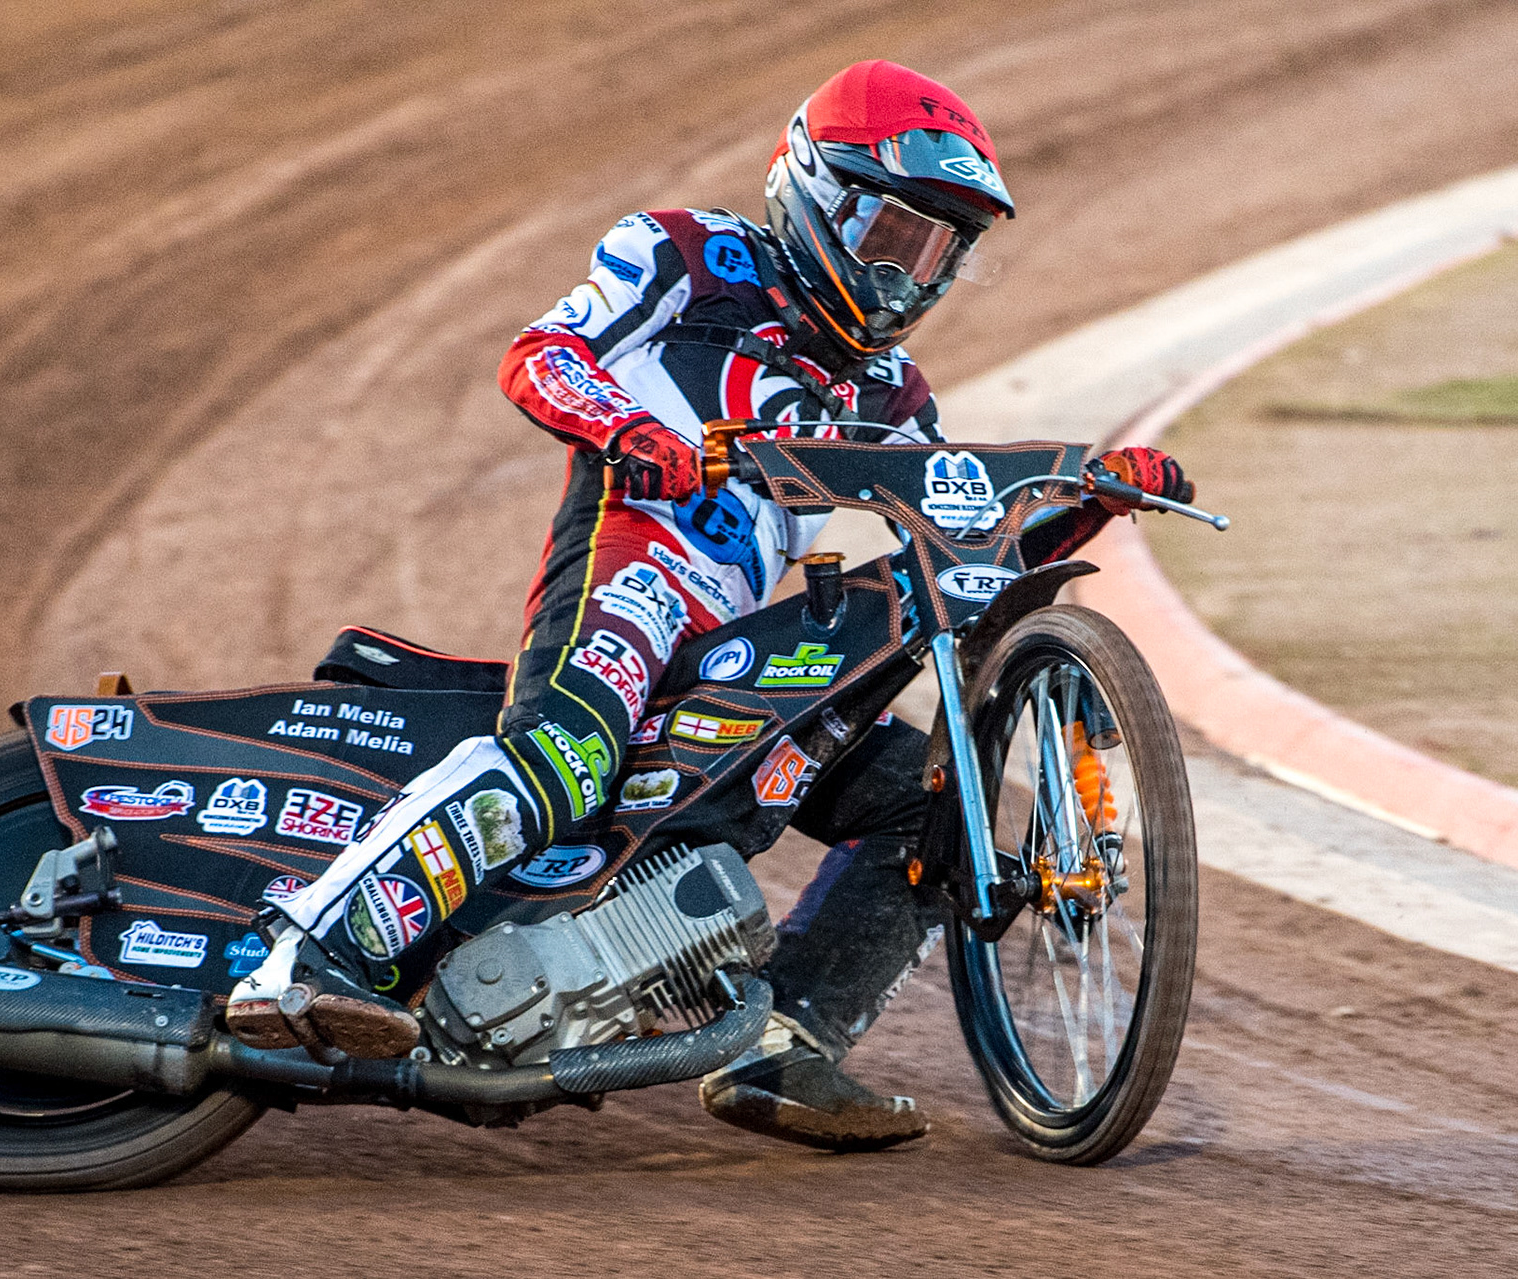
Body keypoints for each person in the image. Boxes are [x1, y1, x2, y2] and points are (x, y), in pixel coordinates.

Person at [228, 60, 1192, 1150]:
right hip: (632, 563)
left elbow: (962, 553)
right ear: (820, 193)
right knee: (565, 754)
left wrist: (1092, 500)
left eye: (939, 251)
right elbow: (538, 355)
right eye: (894, 235)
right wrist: (633, 434)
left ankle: (779, 1043)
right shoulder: (688, 253)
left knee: (925, 805)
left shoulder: (894, 394)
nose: (910, 274)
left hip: (734, 640)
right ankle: (311, 955)